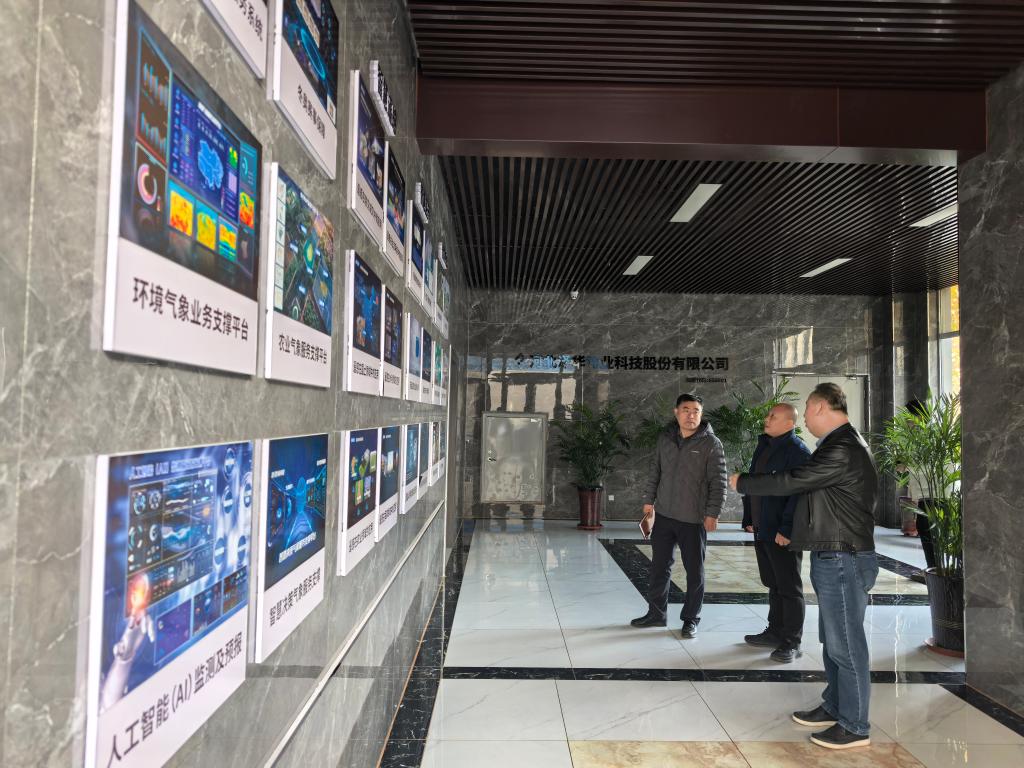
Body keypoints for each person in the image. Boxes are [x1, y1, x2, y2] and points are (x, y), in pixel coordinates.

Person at [729, 382, 879, 751]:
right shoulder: (836, 444)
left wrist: (744, 482)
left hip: (844, 555)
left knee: (846, 644)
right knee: (833, 641)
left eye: (808, 410)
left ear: (820, 407)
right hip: (832, 552)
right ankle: (835, 705)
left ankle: (855, 725)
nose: (806, 419)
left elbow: (793, 481)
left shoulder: (843, 448)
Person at [632, 393, 727, 638]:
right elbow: (655, 471)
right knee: (659, 567)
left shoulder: (711, 444)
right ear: (676, 412)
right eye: (686, 410)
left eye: (696, 411)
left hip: (693, 519)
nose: (691, 415)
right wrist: (648, 500)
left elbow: (719, 483)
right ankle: (656, 614)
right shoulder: (665, 439)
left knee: (694, 572)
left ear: (701, 414)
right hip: (664, 515)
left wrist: (713, 513)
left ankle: (691, 619)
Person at [740, 403, 812, 663]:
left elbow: (800, 495)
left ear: (789, 423)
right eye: (768, 414)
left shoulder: (798, 452)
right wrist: (750, 517)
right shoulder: (765, 445)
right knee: (774, 582)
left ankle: (792, 642)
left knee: (789, 587)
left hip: (782, 531)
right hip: (763, 527)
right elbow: (754, 483)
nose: (767, 418)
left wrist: (787, 528)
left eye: (773, 416)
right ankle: (775, 632)